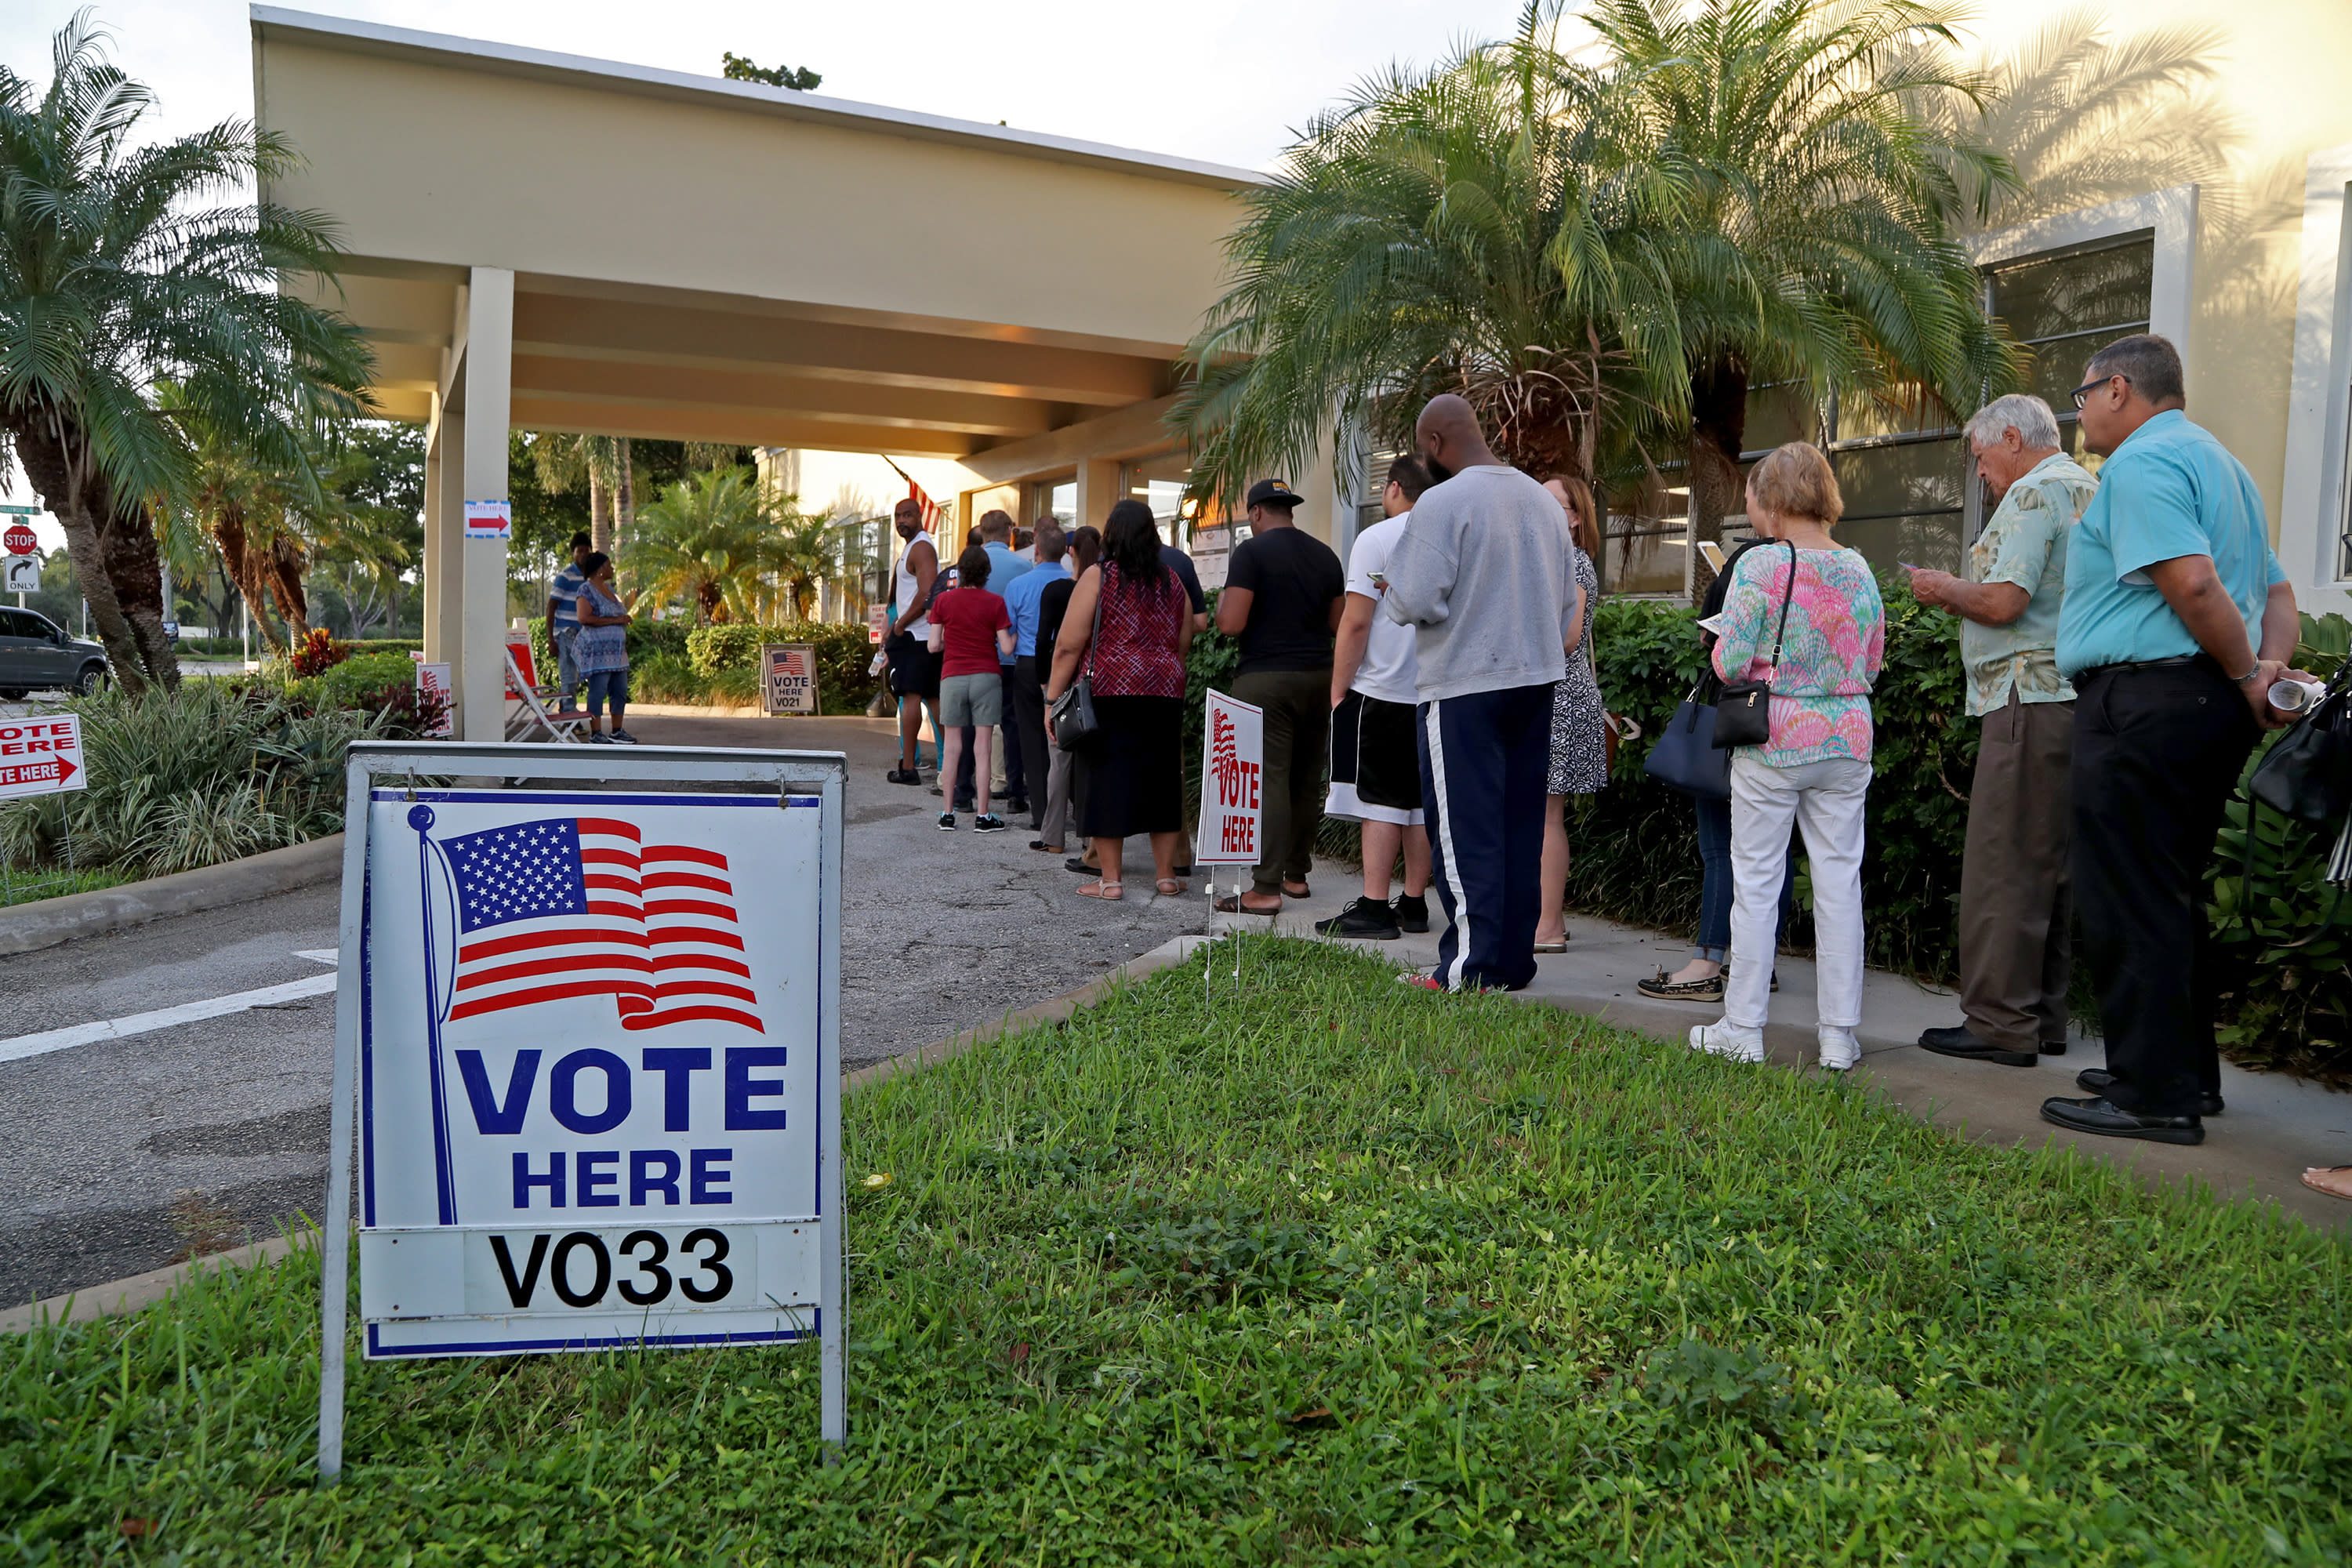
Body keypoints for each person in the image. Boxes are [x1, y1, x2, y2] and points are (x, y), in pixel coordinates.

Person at [2045, 333, 2304, 1145]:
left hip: (2146, 700)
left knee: (2128, 893)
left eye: (2083, 393)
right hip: (2198, 703)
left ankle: (2152, 1093)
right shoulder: (2223, 467)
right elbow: (2280, 590)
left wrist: (2244, 674)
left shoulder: (2143, 464)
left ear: (2119, 389)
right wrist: (2265, 669)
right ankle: (2181, 1071)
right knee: (2169, 890)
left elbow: (2191, 582)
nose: (2079, 410)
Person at [1904, 394, 2098, 1069]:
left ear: (2012, 438)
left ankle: (1996, 1022)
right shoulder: (2087, 487)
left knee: (2004, 862)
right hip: (2074, 696)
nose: (1983, 476)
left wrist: (1942, 587)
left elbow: (2003, 600)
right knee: (2050, 865)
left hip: (2025, 695)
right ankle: (2040, 1017)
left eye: (1983, 460)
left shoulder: (2034, 495)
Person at [1688, 442, 1884, 1070]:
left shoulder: (1763, 566)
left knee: (1757, 881)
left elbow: (1731, 659)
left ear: (1771, 499)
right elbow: (1873, 660)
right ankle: (1838, 1036)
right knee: (1837, 882)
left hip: (1775, 738)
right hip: (1847, 737)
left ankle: (1743, 1029)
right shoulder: (1859, 568)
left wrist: (1726, 646)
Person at [1383, 394, 1577, 992]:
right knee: (1519, 828)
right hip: (1536, 681)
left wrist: (1394, 588)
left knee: (1465, 830)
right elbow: (1568, 606)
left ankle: (1468, 969)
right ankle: (1512, 962)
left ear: (1436, 444)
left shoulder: (1442, 501)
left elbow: (1412, 599)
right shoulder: (1542, 503)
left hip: (1464, 685)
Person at [1636, 533, 1801, 1004]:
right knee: (1776, 852)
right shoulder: (1818, 560)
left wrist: (1715, 635)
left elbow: (1727, 656)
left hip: (1733, 719)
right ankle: (1758, 960)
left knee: (1720, 848)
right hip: (1790, 728)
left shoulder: (1751, 559)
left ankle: (1707, 964)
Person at [1046, 500, 1192, 900]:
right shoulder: (1172, 580)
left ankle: (1110, 880)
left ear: (1111, 535)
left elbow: (1068, 645)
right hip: (1164, 691)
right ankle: (1165, 876)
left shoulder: (1099, 577)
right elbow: (1183, 641)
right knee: (1162, 780)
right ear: (1152, 536)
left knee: (1105, 779)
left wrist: (1052, 698)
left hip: (1108, 690)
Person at [1316, 454, 1435, 940]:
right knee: (1420, 804)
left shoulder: (1377, 538)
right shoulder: (1449, 536)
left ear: (1392, 488)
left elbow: (1357, 620)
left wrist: (1338, 688)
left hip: (1381, 689)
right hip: (1432, 692)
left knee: (1381, 803)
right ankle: (1414, 902)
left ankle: (1373, 906)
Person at [1213, 478, 1345, 915]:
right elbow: (1338, 625)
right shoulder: (1325, 554)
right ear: (1289, 509)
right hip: (1318, 678)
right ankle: (1296, 876)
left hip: (1266, 678)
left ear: (1255, 514)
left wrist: (1220, 607)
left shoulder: (1251, 553)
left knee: (1269, 780)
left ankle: (1265, 889)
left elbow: (1231, 623)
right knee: (1305, 781)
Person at [1535, 476, 1607, 953]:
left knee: (1546, 817)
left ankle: (1548, 926)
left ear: (1576, 517)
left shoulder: (1574, 561)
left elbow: (1567, 636)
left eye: (1552, 502)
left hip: (1560, 695)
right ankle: (1547, 921)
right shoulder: (1557, 562)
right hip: (1555, 694)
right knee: (1541, 815)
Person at [927, 544, 1014, 833]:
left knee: (952, 746)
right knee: (983, 746)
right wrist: (1015, 635)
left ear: (960, 571)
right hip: (987, 676)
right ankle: (983, 815)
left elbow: (933, 645)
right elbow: (1005, 647)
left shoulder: (944, 601)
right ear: (987, 572)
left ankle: (948, 813)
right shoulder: (995, 603)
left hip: (952, 675)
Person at [953, 510, 1033, 816]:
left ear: (982, 531)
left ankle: (964, 791)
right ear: (1010, 532)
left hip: (973, 658)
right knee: (1012, 725)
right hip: (1011, 656)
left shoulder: (967, 566)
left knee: (971, 725)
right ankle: (1015, 793)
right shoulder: (1023, 566)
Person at [1032, 524, 1099, 855]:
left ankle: (1053, 837)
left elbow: (1045, 641)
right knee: (1090, 763)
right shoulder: (1107, 589)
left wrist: (1046, 684)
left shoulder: (1057, 591)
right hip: (1098, 682)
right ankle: (1090, 840)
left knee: (1058, 761)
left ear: (1069, 552)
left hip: (1062, 681)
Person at [1004, 518, 1069, 833]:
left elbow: (1009, 633)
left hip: (1028, 665)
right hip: (1065, 666)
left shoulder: (1017, 586)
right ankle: (1072, 813)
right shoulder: (1076, 583)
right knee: (1068, 739)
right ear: (1066, 552)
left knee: (1031, 739)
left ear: (1037, 551)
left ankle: (1041, 815)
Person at [883, 498, 941, 785]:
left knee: (911, 698)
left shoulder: (921, 547)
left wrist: (901, 623)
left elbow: (928, 592)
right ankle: (959, 762)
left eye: (907, 515)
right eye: (897, 516)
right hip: (921, 636)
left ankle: (908, 767)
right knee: (934, 699)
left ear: (920, 517)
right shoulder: (914, 547)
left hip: (916, 636)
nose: (901, 521)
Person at [572, 550, 637, 745]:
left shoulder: (610, 590)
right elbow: (584, 618)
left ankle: (617, 730)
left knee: (620, 690)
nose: (612, 569)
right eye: (609, 565)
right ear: (600, 569)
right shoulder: (586, 590)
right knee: (598, 690)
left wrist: (623, 620)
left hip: (617, 654)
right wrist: (617, 620)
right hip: (598, 653)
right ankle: (596, 732)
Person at [544, 531, 591, 713]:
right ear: (573, 553)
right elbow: (551, 607)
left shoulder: (590, 577)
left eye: (586, 551)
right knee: (569, 677)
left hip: (583, 635)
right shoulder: (566, 576)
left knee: (576, 678)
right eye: (579, 551)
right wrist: (551, 639)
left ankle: (569, 714)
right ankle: (569, 717)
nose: (582, 555)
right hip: (565, 633)